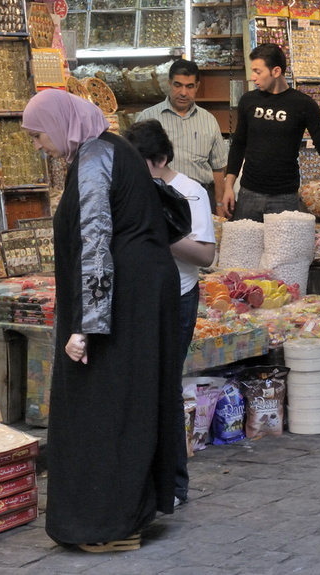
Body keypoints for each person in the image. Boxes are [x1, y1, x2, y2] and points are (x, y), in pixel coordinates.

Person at [23, 89, 182, 552]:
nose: (39, 146)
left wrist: (87, 325)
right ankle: (129, 513)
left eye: (38, 135)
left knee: (104, 408)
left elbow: (95, 242)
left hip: (122, 300)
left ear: (59, 124)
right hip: (140, 292)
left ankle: (107, 524)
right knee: (132, 401)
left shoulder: (95, 159)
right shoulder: (112, 148)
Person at [125, 118, 215, 509]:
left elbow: (206, 255)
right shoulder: (130, 187)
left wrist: (166, 231)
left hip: (177, 296)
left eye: (139, 162)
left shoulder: (190, 192)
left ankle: (175, 483)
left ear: (160, 160)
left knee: (165, 385)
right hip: (138, 297)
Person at [222, 43, 320, 223]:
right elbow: (239, 144)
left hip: (284, 196)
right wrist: (228, 187)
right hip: (249, 193)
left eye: (258, 71)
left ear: (276, 71)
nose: (252, 77)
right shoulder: (248, 100)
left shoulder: (303, 105)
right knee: (245, 249)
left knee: (283, 250)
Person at [135, 59, 228, 213]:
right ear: (169, 84)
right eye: (178, 85)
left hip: (200, 200)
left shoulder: (209, 120)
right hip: (159, 199)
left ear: (197, 86)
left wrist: (219, 205)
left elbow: (218, 168)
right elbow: (135, 164)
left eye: (189, 86)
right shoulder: (148, 118)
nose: (183, 93)